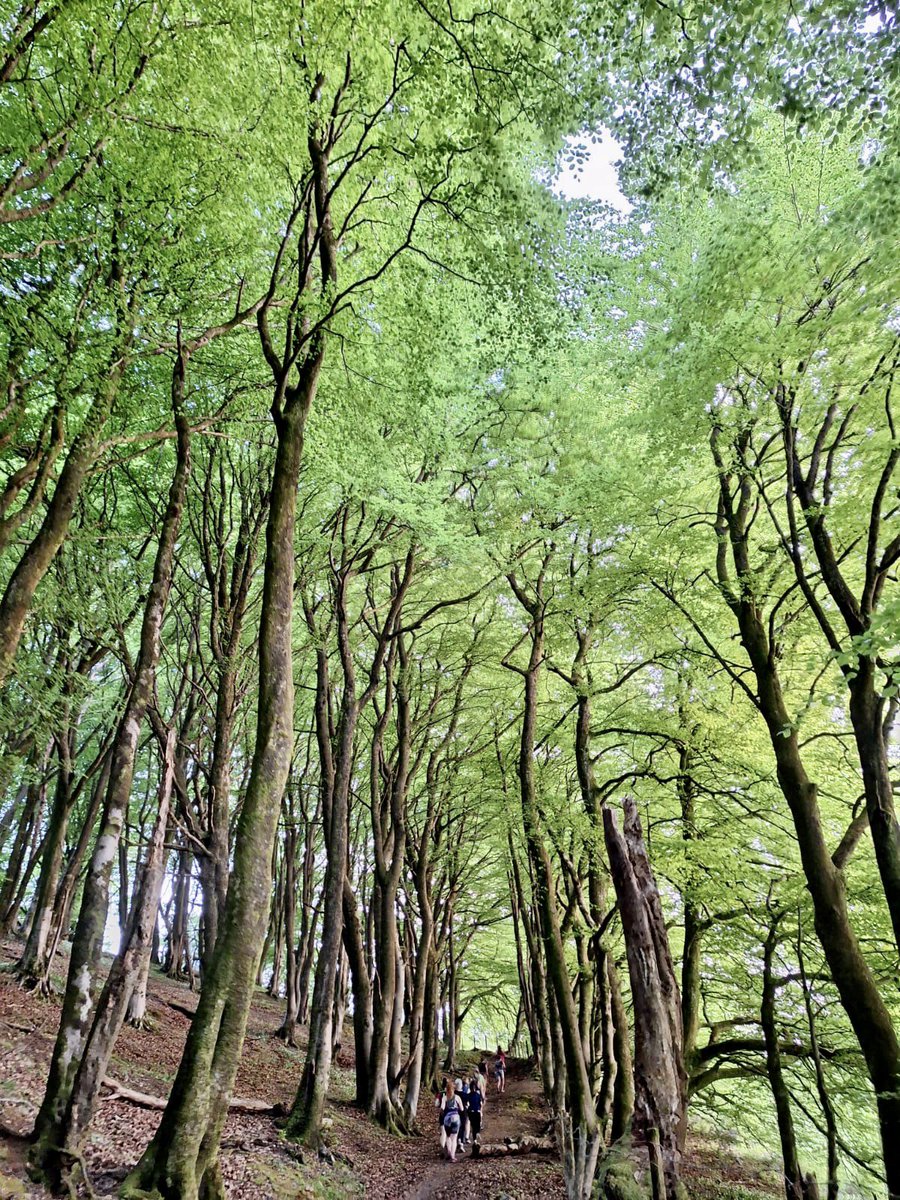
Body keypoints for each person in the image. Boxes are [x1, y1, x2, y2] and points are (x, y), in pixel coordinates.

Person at [439, 1080, 463, 1162]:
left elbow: (441, 1109)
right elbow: (462, 1109)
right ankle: (452, 1156)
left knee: (448, 1136)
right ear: (454, 1089)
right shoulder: (457, 1097)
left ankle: (448, 1151)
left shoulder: (444, 1098)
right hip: (455, 1117)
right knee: (454, 1138)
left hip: (447, 1118)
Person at [467, 1072, 484, 1144]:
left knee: (473, 1126)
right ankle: (477, 1134)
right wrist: (480, 1109)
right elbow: (481, 1103)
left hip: (471, 1112)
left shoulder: (468, 1095)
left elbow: (467, 1104)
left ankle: (475, 1139)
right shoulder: (478, 1095)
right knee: (478, 1124)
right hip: (477, 1111)